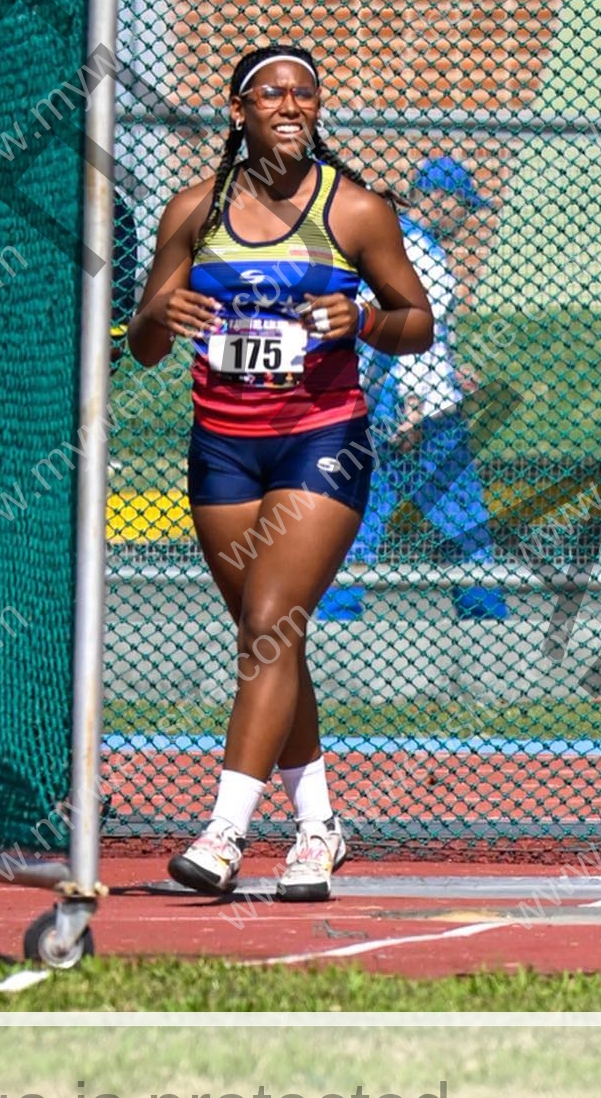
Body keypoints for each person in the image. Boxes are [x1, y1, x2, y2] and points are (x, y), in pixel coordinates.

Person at [126, 45, 433, 901]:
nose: (292, 105)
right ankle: (319, 828)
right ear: (239, 110)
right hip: (224, 448)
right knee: (275, 638)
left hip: (319, 440)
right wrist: (160, 311)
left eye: (306, 93)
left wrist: (364, 319)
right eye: (274, 93)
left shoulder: (357, 211)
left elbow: (420, 322)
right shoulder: (194, 211)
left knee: (267, 621)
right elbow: (146, 346)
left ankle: (225, 833)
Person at [316, 154, 509, 623]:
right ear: (439, 201)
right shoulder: (421, 254)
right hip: (414, 413)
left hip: (377, 403)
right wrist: (416, 405)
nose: (467, 219)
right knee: (460, 516)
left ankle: (337, 614)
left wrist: (447, 371)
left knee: (360, 512)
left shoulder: (388, 240)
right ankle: (485, 616)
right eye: (464, 205)